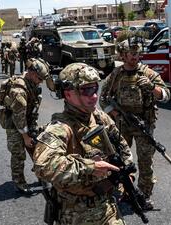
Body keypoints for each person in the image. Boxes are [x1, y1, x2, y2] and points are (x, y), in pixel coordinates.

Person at [33, 63, 132, 224]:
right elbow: (43, 165)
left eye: (95, 89)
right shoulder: (60, 128)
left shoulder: (100, 118)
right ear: (68, 94)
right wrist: (91, 167)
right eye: (86, 90)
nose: (93, 96)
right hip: (77, 214)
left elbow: (122, 147)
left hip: (107, 206)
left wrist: (127, 174)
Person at [99, 38, 171, 210]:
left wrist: (153, 87)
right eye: (132, 53)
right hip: (122, 124)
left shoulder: (148, 74)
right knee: (121, 161)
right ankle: (125, 191)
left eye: (137, 53)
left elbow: (166, 95)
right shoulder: (116, 75)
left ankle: (144, 195)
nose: (135, 57)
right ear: (123, 55)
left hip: (143, 125)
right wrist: (114, 113)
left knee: (145, 161)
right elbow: (102, 99)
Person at [0, 58, 50, 194]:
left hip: (28, 120)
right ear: (31, 73)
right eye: (39, 78)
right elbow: (18, 118)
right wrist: (25, 137)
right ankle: (19, 182)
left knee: (37, 148)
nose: (40, 81)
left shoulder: (32, 83)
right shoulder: (19, 91)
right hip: (15, 124)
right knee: (18, 154)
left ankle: (41, 176)